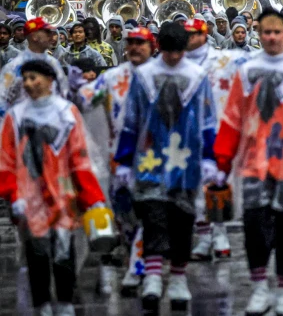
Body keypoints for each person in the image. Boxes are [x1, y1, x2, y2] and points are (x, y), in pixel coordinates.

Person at [213, 9, 283, 316]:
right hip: (254, 164)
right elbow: (232, 117)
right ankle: (259, 287)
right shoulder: (246, 72)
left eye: (277, 32)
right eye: (266, 32)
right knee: (254, 226)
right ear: (259, 34)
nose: (271, 37)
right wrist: (221, 162)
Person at [113, 22, 218, 311]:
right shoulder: (145, 76)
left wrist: (210, 156)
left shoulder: (197, 76)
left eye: (178, 51)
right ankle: (153, 277)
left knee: (183, 219)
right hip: (149, 159)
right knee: (153, 216)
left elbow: (209, 119)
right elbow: (131, 119)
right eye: (168, 51)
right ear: (160, 47)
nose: (173, 57)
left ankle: (179, 278)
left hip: (186, 161)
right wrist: (123, 161)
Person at [0, 59, 108, 316]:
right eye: (25, 79)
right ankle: (42, 304)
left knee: (63, 251)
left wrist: (93, 197)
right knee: (36, 253)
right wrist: (12, 193)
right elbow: (7, 159)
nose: (28, 84)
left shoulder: (67, 113)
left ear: (50, 81)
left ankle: (65, 302)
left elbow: (80, 158)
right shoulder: (15, 117)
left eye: (34, 78)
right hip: (29, 197)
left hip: (63, 195)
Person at [79, 26, 158, 296]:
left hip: (153, 159)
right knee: (125, 218)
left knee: (151, 214)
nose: (135, 47)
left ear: (152, 46)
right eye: (131, 43)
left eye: (141, 43)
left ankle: (141, 269)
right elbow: (85, 99)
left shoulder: (161, 76)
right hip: (118, 159)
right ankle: (135, 260)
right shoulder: (113, 77)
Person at [184, 18, 249, 263]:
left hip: (219, 130)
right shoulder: (176, 63)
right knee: (195, 188)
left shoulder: (223, 60)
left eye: (196, 34)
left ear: (205, 34)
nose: (192, 38)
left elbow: (253, 65)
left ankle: (220, 234)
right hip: (188, 133)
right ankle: (203, 237)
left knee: (219, 184)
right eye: (187, 34)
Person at [0, 17, 69, 112]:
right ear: (34, 36)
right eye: (47, 32)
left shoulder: (54, 64)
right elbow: (3, 98)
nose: (51, 36)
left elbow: (63, 93)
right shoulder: (15, 66)